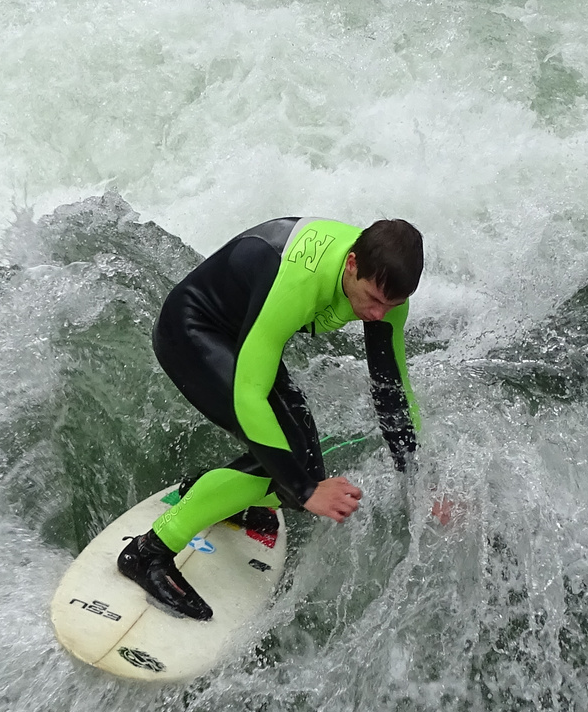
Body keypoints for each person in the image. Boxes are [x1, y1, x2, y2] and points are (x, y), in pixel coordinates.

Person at [117, 216, 424, 621]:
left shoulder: (385, 295)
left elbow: (392, 393)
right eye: (371, 299)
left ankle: (216, 494)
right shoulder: (298, 277)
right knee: (293, 473)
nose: (377, 313)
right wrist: (304, 487)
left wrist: (419, 484)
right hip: (193, 330)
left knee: (300, 468)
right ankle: (148, 552)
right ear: (351, 264)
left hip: (243, 334)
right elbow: (248, 398)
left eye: (392, 305)